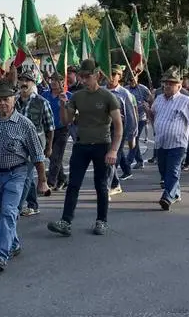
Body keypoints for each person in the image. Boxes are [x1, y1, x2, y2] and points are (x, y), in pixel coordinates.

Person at [0, 79, 48, 271]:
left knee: (8, 212)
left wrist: (42, 181)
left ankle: (0, 254)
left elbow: (37, 155)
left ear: (14, 99)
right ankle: (13, 244)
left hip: (17, 174)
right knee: (0, 213)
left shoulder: (25, 124)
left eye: (6, 99)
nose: (2, 103)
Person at [47, 59, 122, 237]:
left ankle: (101, 221)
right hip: (81, 145)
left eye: (87, 76)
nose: (83, 80)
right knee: (73, 184)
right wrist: (63, 105)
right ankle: (65, 221)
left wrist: (113, 150)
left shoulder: (107, 96)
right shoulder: (78, 96)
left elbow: (118, 126)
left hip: (102, 146)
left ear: (96, 75)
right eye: (81, 76)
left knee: (101, 185)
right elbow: (66, 121)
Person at [150, 68, 189, 209]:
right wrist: (148, 112)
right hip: (161, 143)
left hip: (178, 144)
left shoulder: (185, 101)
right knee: (163, 171)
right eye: (166, 83)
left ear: (179, 85)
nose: (167, 86)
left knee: (173, 171)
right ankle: (176, 192)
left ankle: (167, 197)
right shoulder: (158, 99)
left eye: (171, 83)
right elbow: (154, 117)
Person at [14, 68, 54, 216]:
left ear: (32, 83)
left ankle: (16, 208)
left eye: (27, 80)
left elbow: (50, 128)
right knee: (27, 175)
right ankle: (33, 204)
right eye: (22, 80)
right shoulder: (15, 101)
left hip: (35, 145)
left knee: (25, 175)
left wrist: (49, 147)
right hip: (18, 145)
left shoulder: (42, 102)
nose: (24, 83)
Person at [105, 65, 138, 195]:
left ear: (120, 76)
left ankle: (106, 188)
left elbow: (131, 115)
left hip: (118, 129)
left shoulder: (124, 93)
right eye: (109, 74)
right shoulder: (101, 91)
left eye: (114, 74)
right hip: (103, 129)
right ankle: (115, 184)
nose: (111, 77)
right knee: (105, 158)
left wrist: (132, 136)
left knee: (112, 158)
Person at [42, 73, 70, 189]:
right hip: (48, 129)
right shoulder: (44, 95)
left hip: (62, 129)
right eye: (52, 79)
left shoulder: (68, 96)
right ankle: (62, 178)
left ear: (63, 82)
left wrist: (65, 103)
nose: (53, 82)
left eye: (57, 80)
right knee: (50, 154)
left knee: (56, 155)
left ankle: (51, 182)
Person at [126, 72, 153, 168]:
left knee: (135, 138)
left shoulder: (143, 89)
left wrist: (147, 109)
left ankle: (128, 161)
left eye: (133, 79)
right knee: (132, 139)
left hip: (141, 117)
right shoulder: (126, 89)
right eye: (129, 80)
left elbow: (151, 100)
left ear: (137, 79)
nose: (131, 82)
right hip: (130, 118)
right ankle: (139, 161)